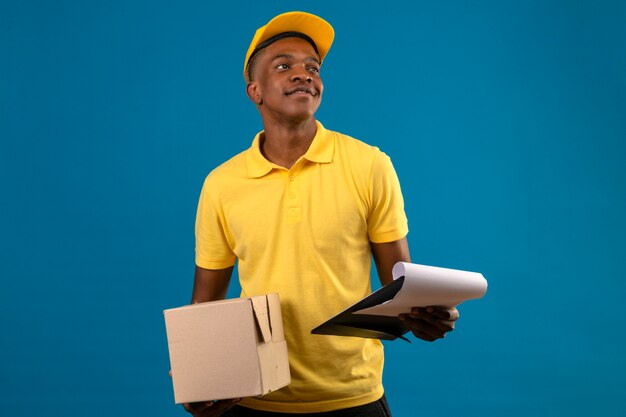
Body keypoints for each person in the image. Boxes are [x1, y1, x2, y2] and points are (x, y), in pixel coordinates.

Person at [184, 11, 459, 417]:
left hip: (354, 398)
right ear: (254, 91)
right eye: (284, 66)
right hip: (254, 400)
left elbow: (401, 287)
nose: (303, 74)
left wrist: (425, 316)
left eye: (312, 67)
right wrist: (200, 378)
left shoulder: (370, 165)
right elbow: (205, 302)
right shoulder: (221, 183)